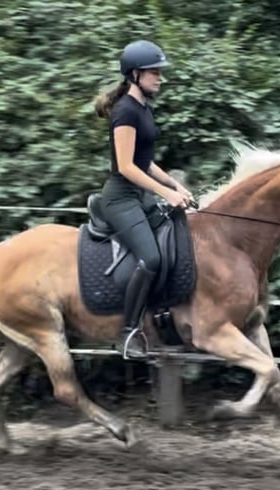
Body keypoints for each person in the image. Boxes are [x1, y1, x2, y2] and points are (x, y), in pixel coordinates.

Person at [93, 39, 194, 359]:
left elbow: (145, 161)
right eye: (154, 73)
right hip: (121, 199)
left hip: (141, 195)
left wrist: (176, 188)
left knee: (179, 235)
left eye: (160, 73)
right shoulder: (124, 111)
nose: (160, 78)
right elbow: (125, 166)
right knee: (151, 258)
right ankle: (129, 332)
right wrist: (165, 192)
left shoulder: (143, 108)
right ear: (135, 74)